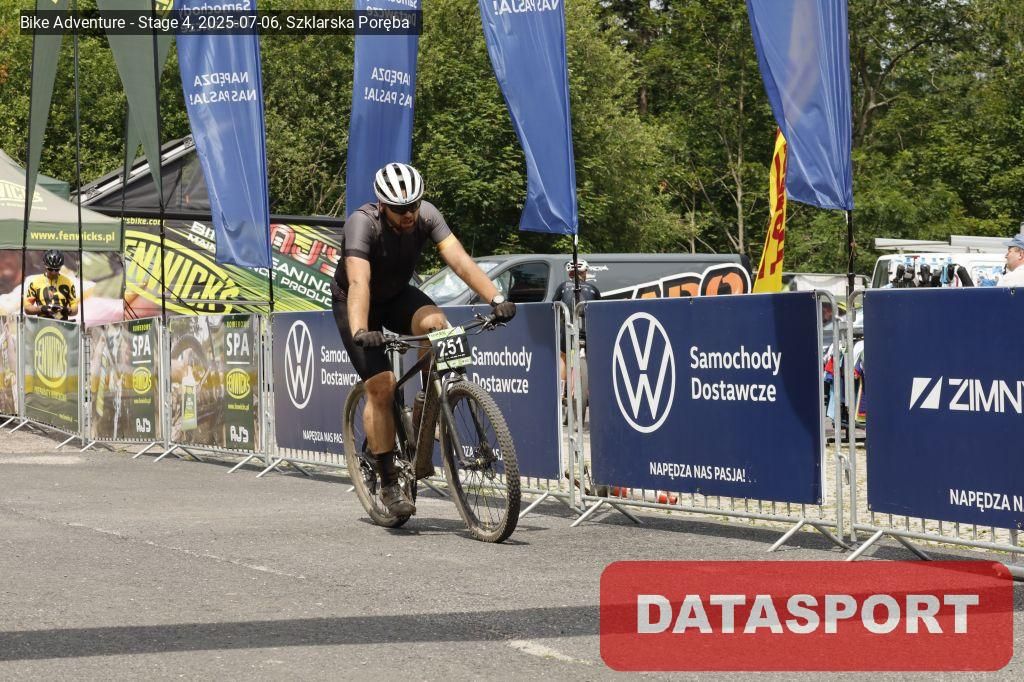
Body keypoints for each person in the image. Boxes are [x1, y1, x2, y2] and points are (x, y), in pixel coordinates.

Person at [332, 162, 516, 517]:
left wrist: (495, 298)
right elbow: (358, 282)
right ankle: (388, 483)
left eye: (414, 205)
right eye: (400, 208)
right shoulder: (362, 224)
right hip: (356, 302)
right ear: (382, 205)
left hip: (397, 295)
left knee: (437, 325)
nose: (409, 214)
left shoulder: (427, 215)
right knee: (382, 386)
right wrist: (360, 331)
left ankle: (422, 415)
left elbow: (459, 260)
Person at [554, 260, 601, 384]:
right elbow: (600, 310)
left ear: (570, 273)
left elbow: (553, 306)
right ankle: (592, 388)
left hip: (568, 328)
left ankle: (561, 390)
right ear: (584, 272)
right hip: (588, 328)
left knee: (564, 356)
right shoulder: (593, 289)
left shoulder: (563, 286)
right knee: (592, 358)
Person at [24, 250, 78, 320]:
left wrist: (67, 310)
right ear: (45, 265)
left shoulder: (68, 282)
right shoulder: (35, 282)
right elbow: (27, 308)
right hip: (42, 324)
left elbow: (75, 309)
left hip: (62, 324)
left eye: (57, 269)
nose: (53, 272)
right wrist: (41, 309)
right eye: (50, 269)